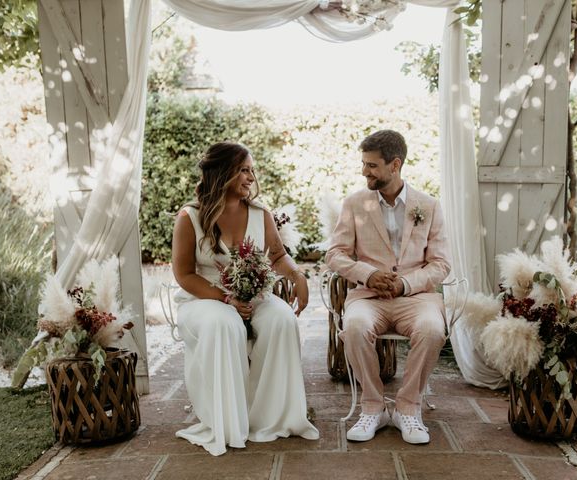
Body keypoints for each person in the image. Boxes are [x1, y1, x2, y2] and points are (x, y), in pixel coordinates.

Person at [172, 141, 319, 456]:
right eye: (243, 170)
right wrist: (225, 300)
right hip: (202, 299)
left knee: (281, 318)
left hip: (253, 294)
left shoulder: (259, 212)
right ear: (222, 173)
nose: (251, 177)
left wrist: (297, 276)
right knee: (225, 324)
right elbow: (184, 275)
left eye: (252, 170)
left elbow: (278, 255)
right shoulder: (190, 217)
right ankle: (228, 421)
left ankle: (270, 418)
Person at [325, 130, 451, 444]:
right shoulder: (354, 203)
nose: (364, 171)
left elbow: (441, 263)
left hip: (417, 298)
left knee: (433, 329)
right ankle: (373, 407)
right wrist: (367, 275)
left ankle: (407, 409)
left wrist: (406, 284)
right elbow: (335, 254)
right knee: (354, 327)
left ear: (395, 165)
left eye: (371, 165)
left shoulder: (429, 205)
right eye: (364, 164)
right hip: (369, 297)